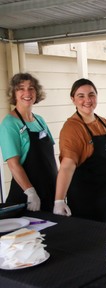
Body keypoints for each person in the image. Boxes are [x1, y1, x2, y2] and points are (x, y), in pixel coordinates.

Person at [53, 78, 106, 224]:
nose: (87, 100)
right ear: (73, 99)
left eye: (91, 95)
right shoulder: (72, 128)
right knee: (93, 241)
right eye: (81, 96)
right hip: (87, 199)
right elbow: (66, 166)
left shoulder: (104, 123)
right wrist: (59, 200)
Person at [0, 73, 58, 212]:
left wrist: (59, 191)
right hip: (28, 198)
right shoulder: (9, 124)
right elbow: (13, 165)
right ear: (13, 93)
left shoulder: (40, 120)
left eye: (31, 88)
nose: (27, 92)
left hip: (50, 192)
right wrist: (30, 192)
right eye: (21, 88)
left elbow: (50, 158)